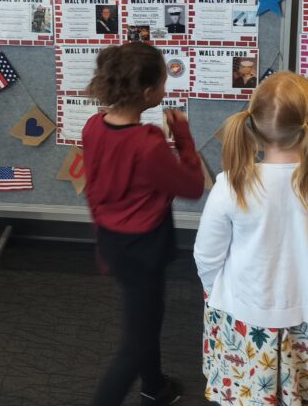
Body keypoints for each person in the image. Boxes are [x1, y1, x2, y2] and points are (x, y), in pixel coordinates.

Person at [195, 70, 308, 405]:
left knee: (245, 394)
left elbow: (207, 258)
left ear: (253, 124)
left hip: (244, 318)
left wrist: (219, 293)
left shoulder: (231, 184)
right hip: (307, 319)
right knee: (302, 394)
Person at [82, 43, 204, 406]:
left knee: (146, 318)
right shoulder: (146, 144)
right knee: (136, 344)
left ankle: (155, 387)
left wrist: (104, 244)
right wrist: (182, 137)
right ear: (149, 94)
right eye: (164, 83)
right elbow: (193, 187)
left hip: (113, 240)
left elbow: (98, 189)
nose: (166, 91)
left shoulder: (93, 127)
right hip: (144, 247)